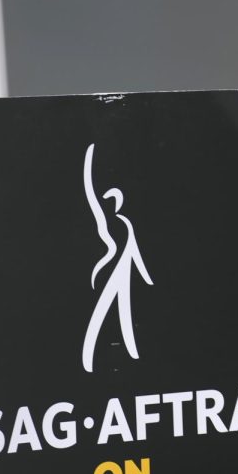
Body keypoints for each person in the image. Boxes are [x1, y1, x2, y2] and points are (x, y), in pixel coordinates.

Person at [81, 142, 154, 373]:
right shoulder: (118, 226)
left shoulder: (122, 226)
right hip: (117, 272)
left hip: (122, 272)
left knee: (121, 321)